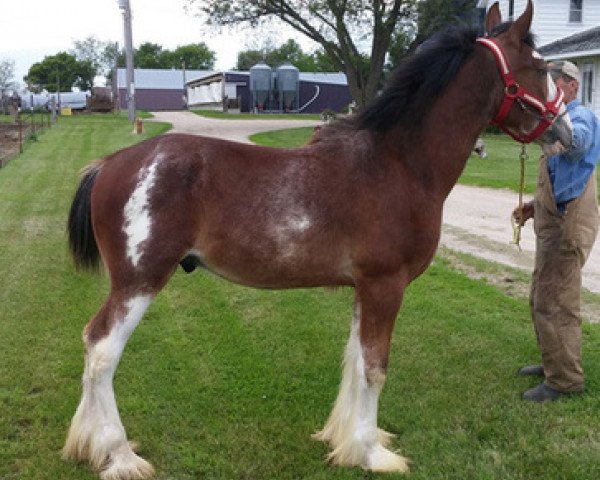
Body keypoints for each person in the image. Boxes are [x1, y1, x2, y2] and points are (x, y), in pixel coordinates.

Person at [513, 61, 600, 402]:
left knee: (557, 301)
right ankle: (553, 360)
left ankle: (564, 380)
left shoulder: (580, 118)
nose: (548, 88)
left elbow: (577, 145)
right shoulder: (561, 117)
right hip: (553, 222)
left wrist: (550, 118)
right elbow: (564, 176)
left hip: (567, 228)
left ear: (573, 86)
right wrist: (534, 207)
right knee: (541, 295)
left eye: (555, 83)